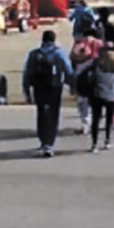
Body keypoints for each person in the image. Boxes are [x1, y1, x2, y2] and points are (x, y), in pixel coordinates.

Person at [23, 30, 74, 158]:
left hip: (39, 87)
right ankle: (49, 142)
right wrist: (73, 85)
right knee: (53, 114)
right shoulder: (58, 53)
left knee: (41, 113)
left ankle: (42, 140)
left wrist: (26, 90)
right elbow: (67, 71)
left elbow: (27, 73)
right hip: (54, 86)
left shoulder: (34, 54)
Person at [87, 49, 114, 153]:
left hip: (98, 95)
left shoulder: (98, 69)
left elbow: (92, 79)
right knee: (109, 119)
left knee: (96, 119)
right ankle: (107, 140)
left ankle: (94, 143)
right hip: (112, 96)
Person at [70, 29, 104, 135]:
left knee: (83, 101)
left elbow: (72, 58)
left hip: (82, 75)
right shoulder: (101, 44)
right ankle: (98, 122)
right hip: (99, 74)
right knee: (98, 99)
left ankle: (85, 124)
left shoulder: (80, 44)